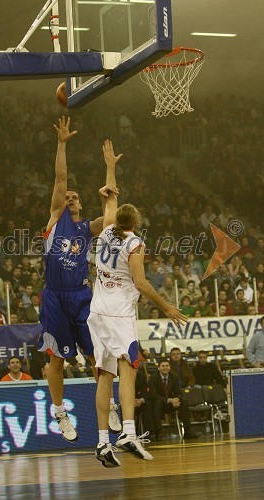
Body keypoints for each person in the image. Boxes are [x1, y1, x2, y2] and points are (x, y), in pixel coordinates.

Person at [87, 141, 187, 466]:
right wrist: (167, 307)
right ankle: (128, 431)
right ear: (137, 224)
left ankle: (103, 441)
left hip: (97, 312)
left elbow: (110, 195)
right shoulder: (134, 242)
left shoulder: (104, 231)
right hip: (118, 313)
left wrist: (110, 166)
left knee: (104, 374)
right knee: (129, 368)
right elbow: (141, 283)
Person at [38, 118, 121, 443]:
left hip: (81, 296)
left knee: (99, 356)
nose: (70, 197)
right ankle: (59, 411)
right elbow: (60, 178)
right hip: (55, 296)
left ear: (81, 205)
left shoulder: (86, 228)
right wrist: (62, 143)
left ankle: (110, 403)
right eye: (66, 196)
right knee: (56, 358)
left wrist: (109, 169)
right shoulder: (55, 220)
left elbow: (112, 215)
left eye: (75, 197)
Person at [148, 359, 198, 440]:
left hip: (171, 403)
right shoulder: (153, 378)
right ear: (158, 368)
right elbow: (153, 395)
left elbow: (179, 392)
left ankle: (187, 431)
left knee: (184, 402)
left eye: (167, 366)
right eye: (163, 366)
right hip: (160, 403)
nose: (165, 368)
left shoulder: (174, 376)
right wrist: (169, 400)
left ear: (169, 367)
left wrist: (176, 399)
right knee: (157, 403)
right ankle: (158, 432)